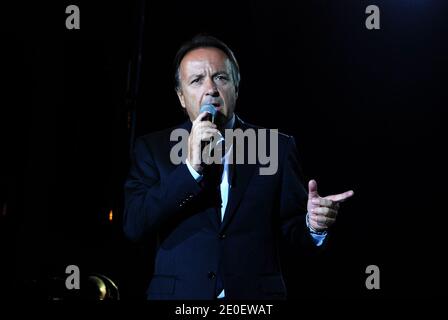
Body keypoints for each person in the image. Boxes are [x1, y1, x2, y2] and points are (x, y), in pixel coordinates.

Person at [123, 34, 354, 300]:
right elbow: (135, 224)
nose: (211, 88)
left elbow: (293, 230)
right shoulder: (153, 148)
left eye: (221, 77)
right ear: (181, 97)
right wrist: (190, 169)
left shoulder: (275, 147)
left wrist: (313, 224)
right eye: (197, 80)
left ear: (236, 87)